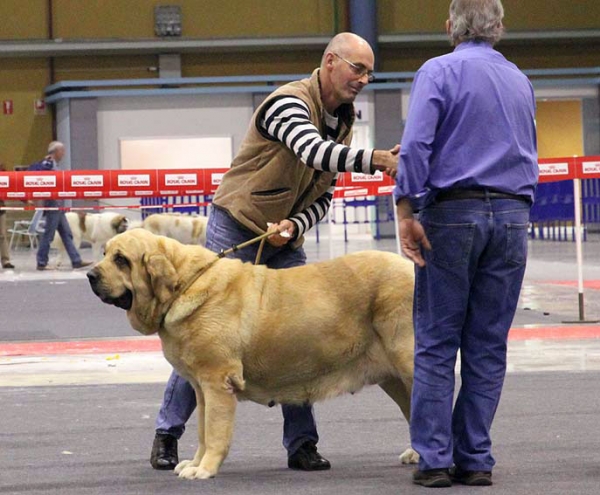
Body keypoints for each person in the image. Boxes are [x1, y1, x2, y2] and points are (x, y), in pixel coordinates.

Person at [150, 32, 399, 472]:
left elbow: (323, 193)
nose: (364, 79)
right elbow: (312, 151)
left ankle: (301, 444)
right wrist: (376, 159)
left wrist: (293, 226)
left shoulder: (342, 117)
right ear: (329, 62)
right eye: (357, 68)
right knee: (203, 338)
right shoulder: (288, 102)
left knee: (301, 337)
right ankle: (168, 434)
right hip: (237, 226)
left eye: (369, 72)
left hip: (283, 237)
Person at [394, 0, 537, 488]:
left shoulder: (438, 70)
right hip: (513, 217)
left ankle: (434, 459)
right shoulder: (520, 79)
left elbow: (415, 146)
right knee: (487, 344)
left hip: (453, 215)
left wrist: (406, 208)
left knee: (436, 342)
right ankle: (475, 457)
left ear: (449, 27)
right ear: (499, 27)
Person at [35, 141, 92, 271]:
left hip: (59, 205)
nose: (64, 153)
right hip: (53, 204)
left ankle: (76, 260)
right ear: (56, 152)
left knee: (66, 234)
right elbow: (45, 181)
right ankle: (41, 262)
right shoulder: (48, 164)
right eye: (62, 151)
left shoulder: (55, 164)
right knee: (49, 234)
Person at [0, 164, 15, 269]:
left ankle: (5, 260)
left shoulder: (2, 169)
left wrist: (25, 199)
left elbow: (13, 185)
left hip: (0, 208)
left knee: (2, 235)